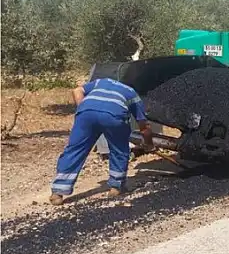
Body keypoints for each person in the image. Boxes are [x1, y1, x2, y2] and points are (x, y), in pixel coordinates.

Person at [49, 78, 155, 206]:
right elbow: (144, 126)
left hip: (86, 114)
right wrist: (149, 144)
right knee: (119, 150)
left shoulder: (102, 82)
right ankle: (116, 187)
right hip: (113, 117)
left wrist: (84, 109)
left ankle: (57, 192)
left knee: (75, 149)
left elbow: (77, 90)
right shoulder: (132, 93)